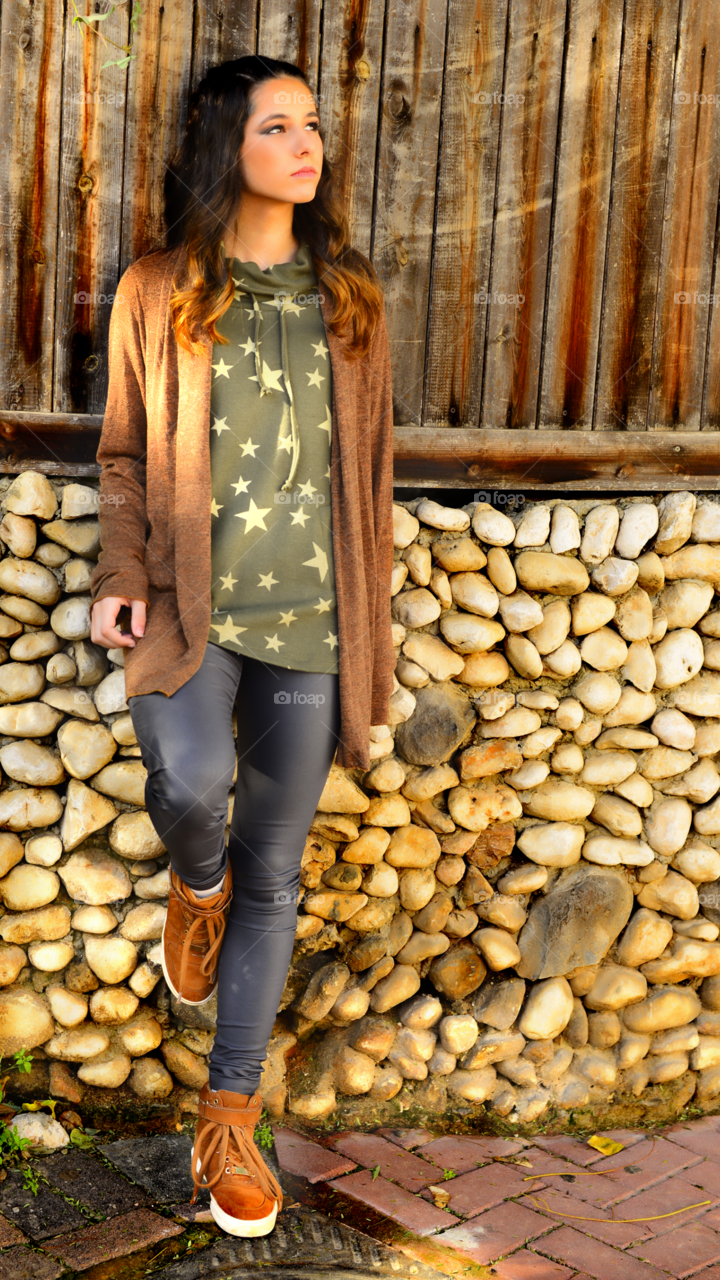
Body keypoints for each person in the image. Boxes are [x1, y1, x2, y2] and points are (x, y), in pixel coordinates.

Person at [89, 55, 397, 1239]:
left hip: (313, 622)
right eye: (280, 126)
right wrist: (123, 577)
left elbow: (365, 479)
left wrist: (375, 624)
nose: (308, 144)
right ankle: (193, 880)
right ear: (230, 148)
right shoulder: (158, 288)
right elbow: (123, 454)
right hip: (191, 612)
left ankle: (229, 1121)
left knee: (280, 869)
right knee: (193, 783)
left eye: (313, 124)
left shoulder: (351, 295)